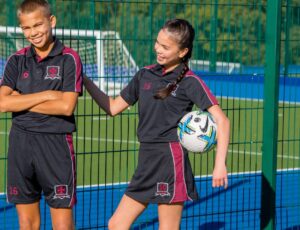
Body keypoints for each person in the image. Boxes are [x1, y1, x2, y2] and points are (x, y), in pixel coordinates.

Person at [83, 18, 230, 230]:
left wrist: (219, 164)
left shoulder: (190, 81)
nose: (158, 49)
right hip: (146, 159)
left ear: (182, 52)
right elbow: (113, 107)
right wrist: (86, 81)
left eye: (165, 47)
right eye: (157, 43)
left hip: (170, 160)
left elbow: (222, 121)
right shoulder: (144, 74)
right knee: (116, 224)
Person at [0, 0, 82, 229]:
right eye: (26, 28)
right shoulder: (16, 60)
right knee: (27, 224)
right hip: (20, 145)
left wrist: (19, 99)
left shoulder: (69, 58)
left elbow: (66, 107)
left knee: (63, 225)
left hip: (55, 145)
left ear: (51, 21)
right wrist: (47, 94)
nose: (33, 32)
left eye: (38, 25)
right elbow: (2, 103)